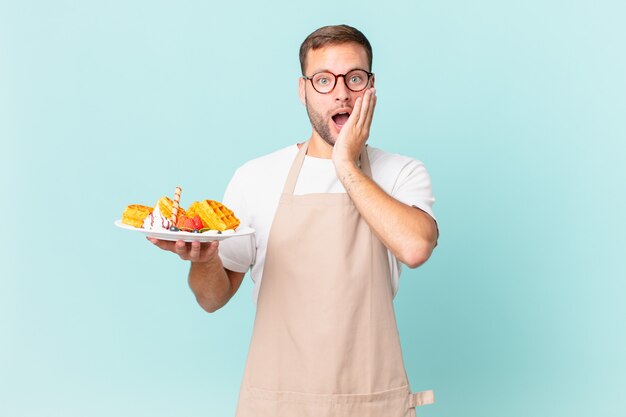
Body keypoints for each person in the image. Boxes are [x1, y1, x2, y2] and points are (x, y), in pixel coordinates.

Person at [149, 24, 438, 417]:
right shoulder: (256, 177)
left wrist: (345, 166)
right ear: (302, 90)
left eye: (354, 78)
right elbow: (211, 298)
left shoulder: (401, 173)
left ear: (371, 87)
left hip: (370, 403)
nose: (341, 92)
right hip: (277, 403)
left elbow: (415, 246)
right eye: (324, 80)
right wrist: (206, 261)